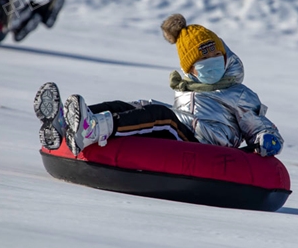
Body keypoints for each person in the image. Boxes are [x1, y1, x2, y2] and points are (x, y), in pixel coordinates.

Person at [33, 14, 283, 157]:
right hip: (186, 132)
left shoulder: (239, 94)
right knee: (140, 105)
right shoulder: (188, 88)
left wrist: (267, 138)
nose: (210, 64)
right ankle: (70, 122)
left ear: (225, 57)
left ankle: (93, 129)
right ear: (190, 70)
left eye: (214, 57)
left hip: (211, 143)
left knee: (163, 116)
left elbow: (257, 126)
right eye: (202, 61)